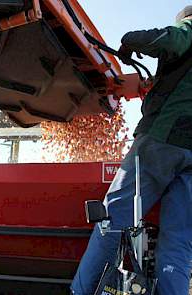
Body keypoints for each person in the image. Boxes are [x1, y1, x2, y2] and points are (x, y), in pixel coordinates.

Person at [71, 6, 192, 295]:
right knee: (178, 240)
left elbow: (169, 40)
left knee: (112, 220)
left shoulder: (189, 28)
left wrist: (128, 40)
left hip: (163, 141)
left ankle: (83, 291)